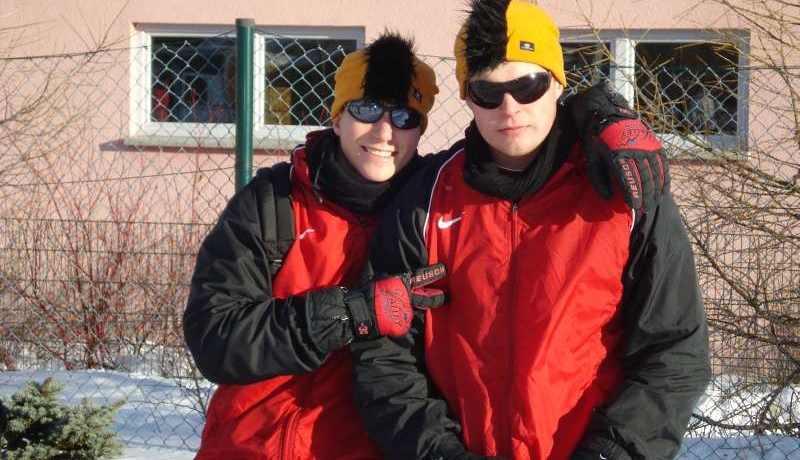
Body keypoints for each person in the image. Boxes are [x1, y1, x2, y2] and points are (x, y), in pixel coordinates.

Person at [184, 25, 670, 458]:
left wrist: (601, 115)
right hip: (249, 447)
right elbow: (214, 338)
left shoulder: (427, 202)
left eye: (404, 116)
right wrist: (348, 314)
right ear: (336, 117)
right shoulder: (275, 201)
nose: (384, 132)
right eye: (365, 109)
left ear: (420, 128)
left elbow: (523, 137)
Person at [351, 0, 711, 460]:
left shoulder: (623, 191)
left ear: (557, 83)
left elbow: (674, 351)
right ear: (467, 98)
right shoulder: (425, 199)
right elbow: (384, 354)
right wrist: (437, 451)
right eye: (487, 91)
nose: (510, 108)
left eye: (527, 86)